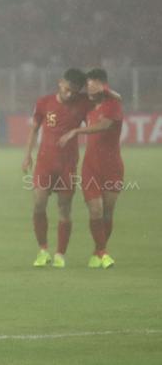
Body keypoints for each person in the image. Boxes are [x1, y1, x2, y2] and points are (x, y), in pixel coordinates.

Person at [22, 69, 93, 268]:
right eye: (68, 89)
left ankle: (60, 254)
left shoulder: (83, 103)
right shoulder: (44, 102)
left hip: (68, 165)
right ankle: (43, 250)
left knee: (64, 208)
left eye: (74, 92)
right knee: (39, 204)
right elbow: (34, 129)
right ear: (60, 82)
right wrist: (27, 155)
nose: (70, 94)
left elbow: (98, 112)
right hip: (45, 163)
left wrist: (77, 131)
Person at [58, 69, 123, 269]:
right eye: (88, 84)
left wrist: (76, 131)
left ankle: (98, 251)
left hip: (112, 166)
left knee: (107, 214)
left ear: (103, 84)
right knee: (96, 210)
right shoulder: (88, 106)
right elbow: (69, 97)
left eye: (94, 84)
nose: (90, 88)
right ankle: (103, 253)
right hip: (91, 167)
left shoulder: (114, 105)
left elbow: (104, 126)